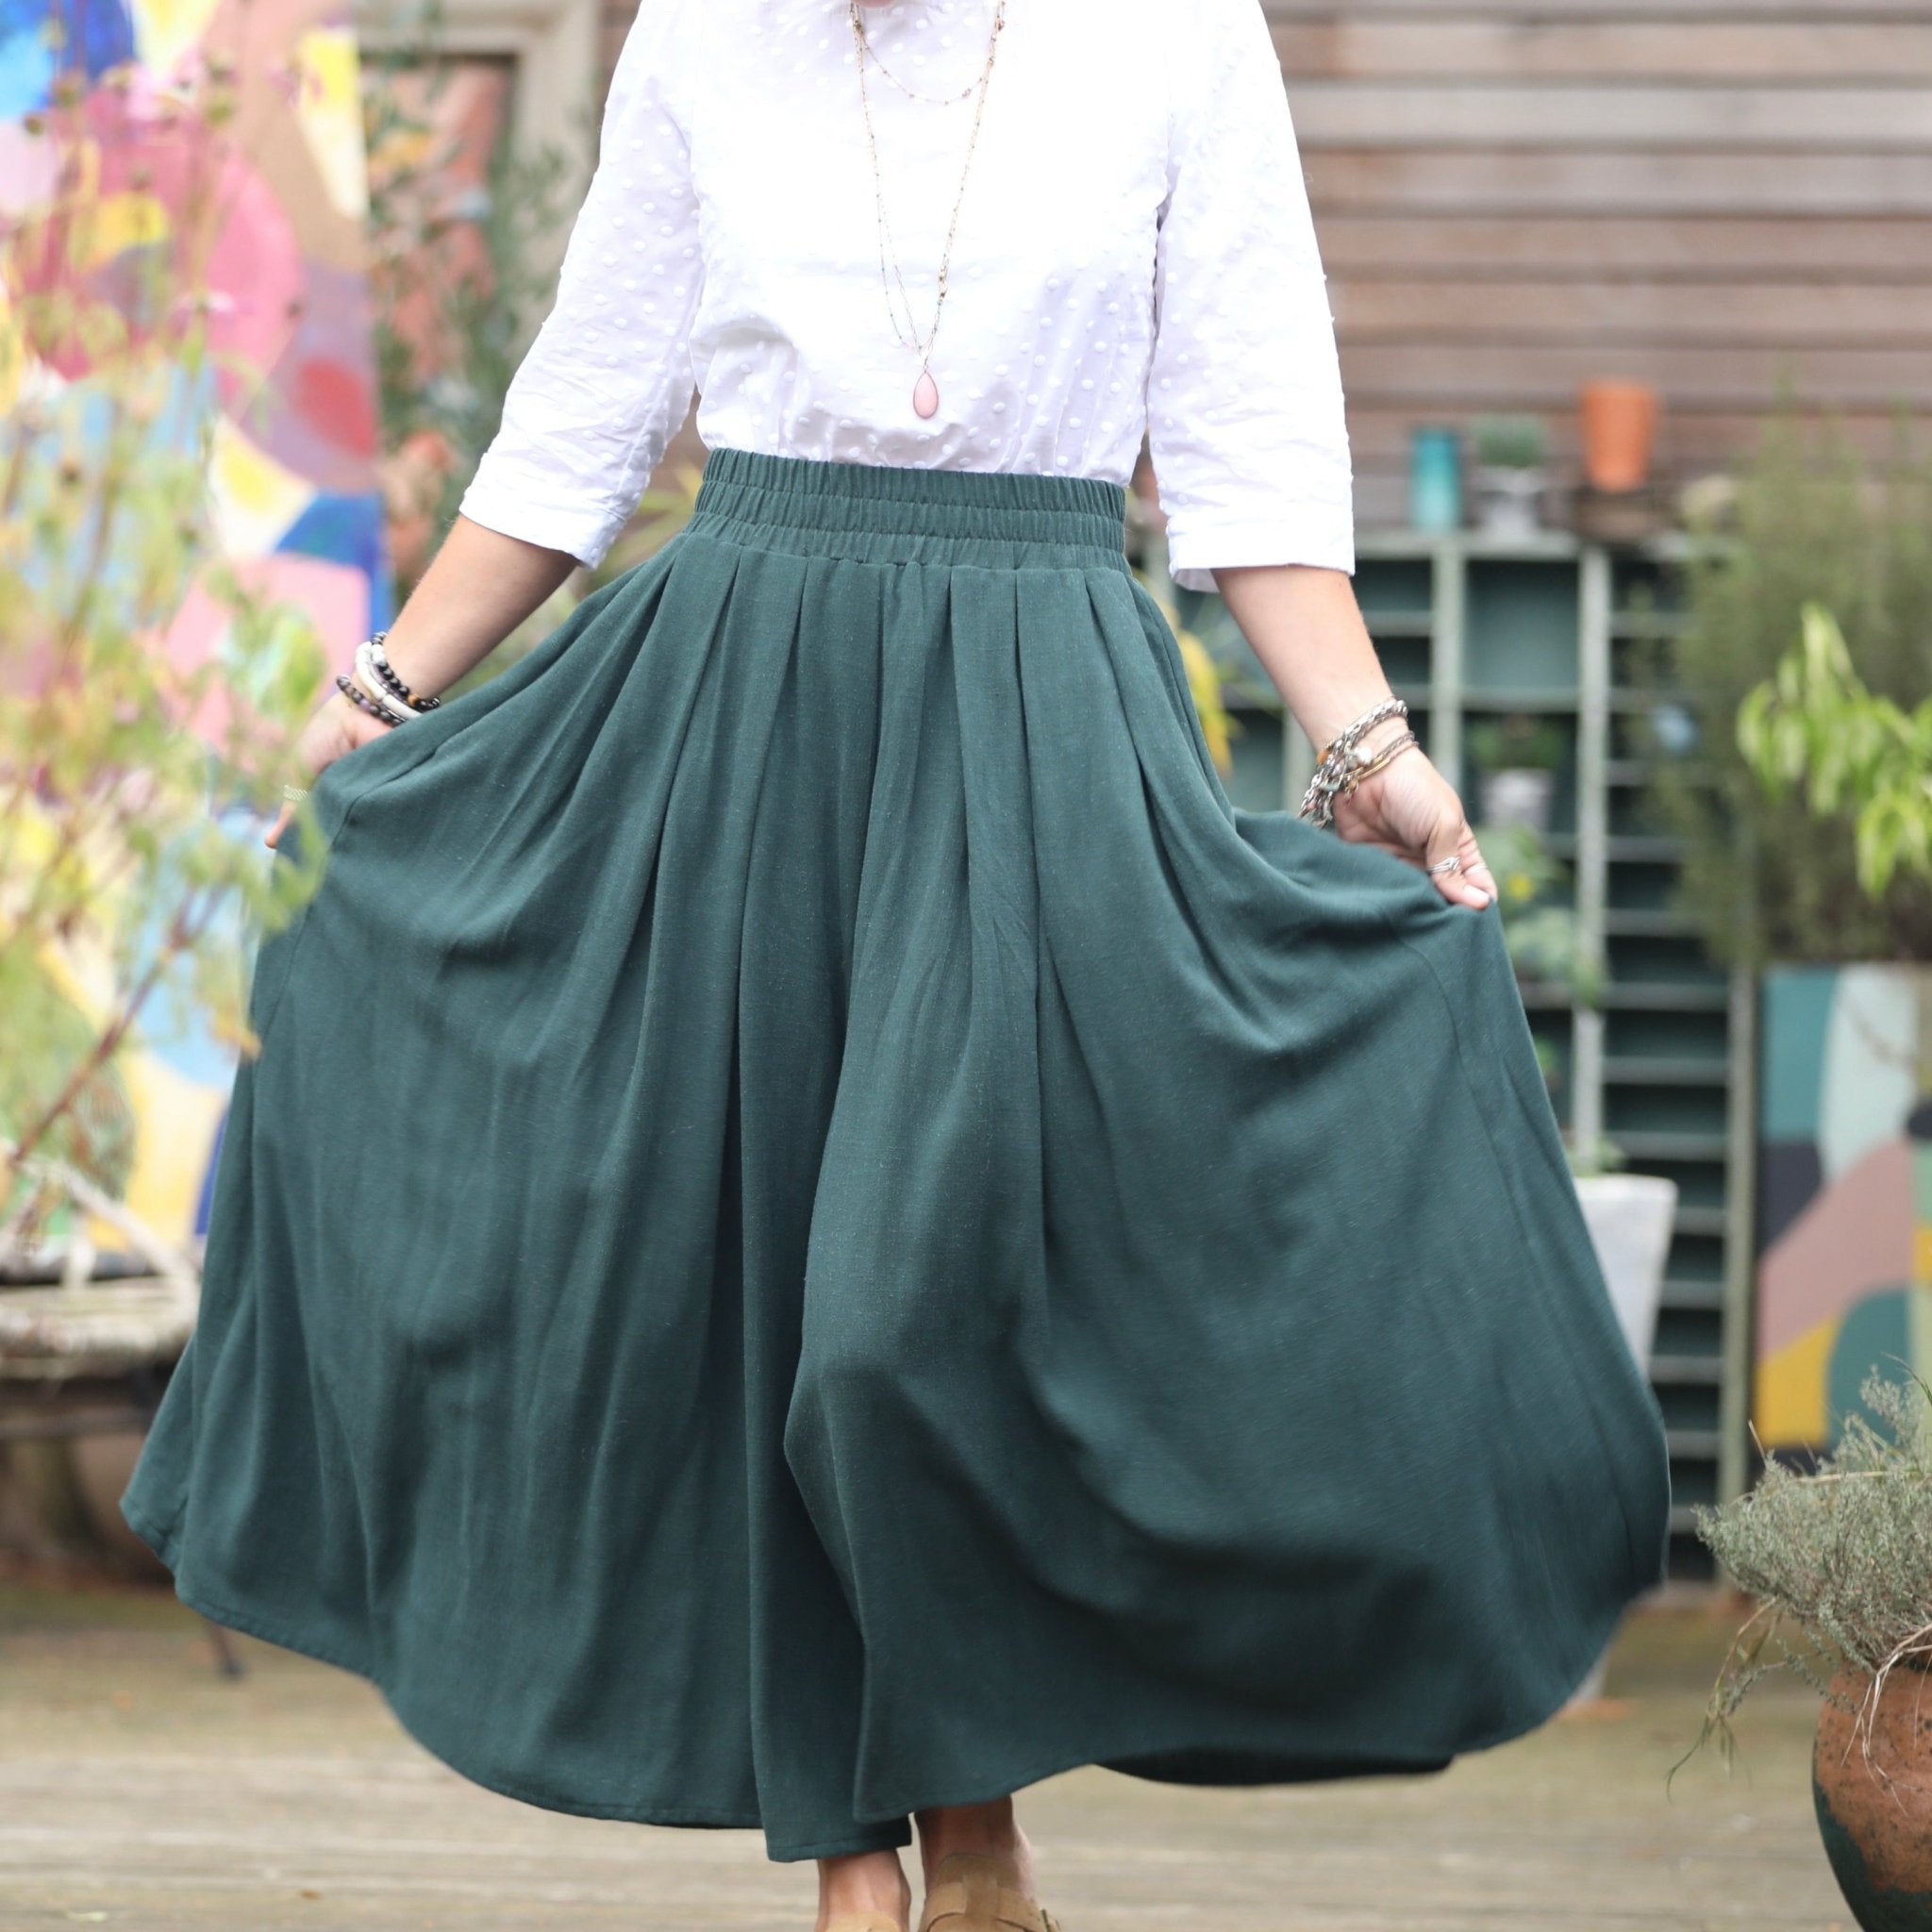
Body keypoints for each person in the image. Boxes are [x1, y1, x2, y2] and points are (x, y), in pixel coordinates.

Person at [121, 1, 1673, 1927]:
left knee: (903, 1316)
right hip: (741, 697)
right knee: (757, 1294)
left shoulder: (1179, 38)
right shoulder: (702, 34)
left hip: (1036, 709)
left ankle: (966, 1807)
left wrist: (1369, 752)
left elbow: (1249, 435)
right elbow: (583, 418)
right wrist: (378, 696)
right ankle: (877, 1860)